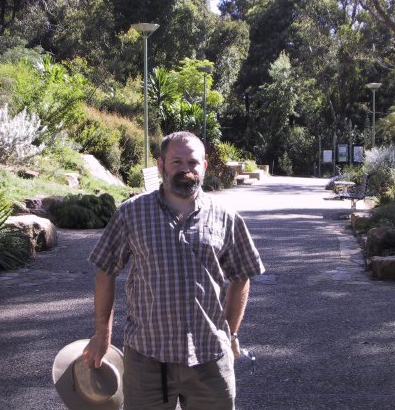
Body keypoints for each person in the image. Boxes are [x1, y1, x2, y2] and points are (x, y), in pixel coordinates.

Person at [82, 131, 264, 410]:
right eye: (176, 162)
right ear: (161, 165)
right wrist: (102, 335)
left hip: (210, 357)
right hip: (147, 358)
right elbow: (105, 272)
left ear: (203, 167)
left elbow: (242, 275)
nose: (185, 170)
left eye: (192, 162)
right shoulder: (131, 213)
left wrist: (230, 333)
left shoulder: (226, 216)